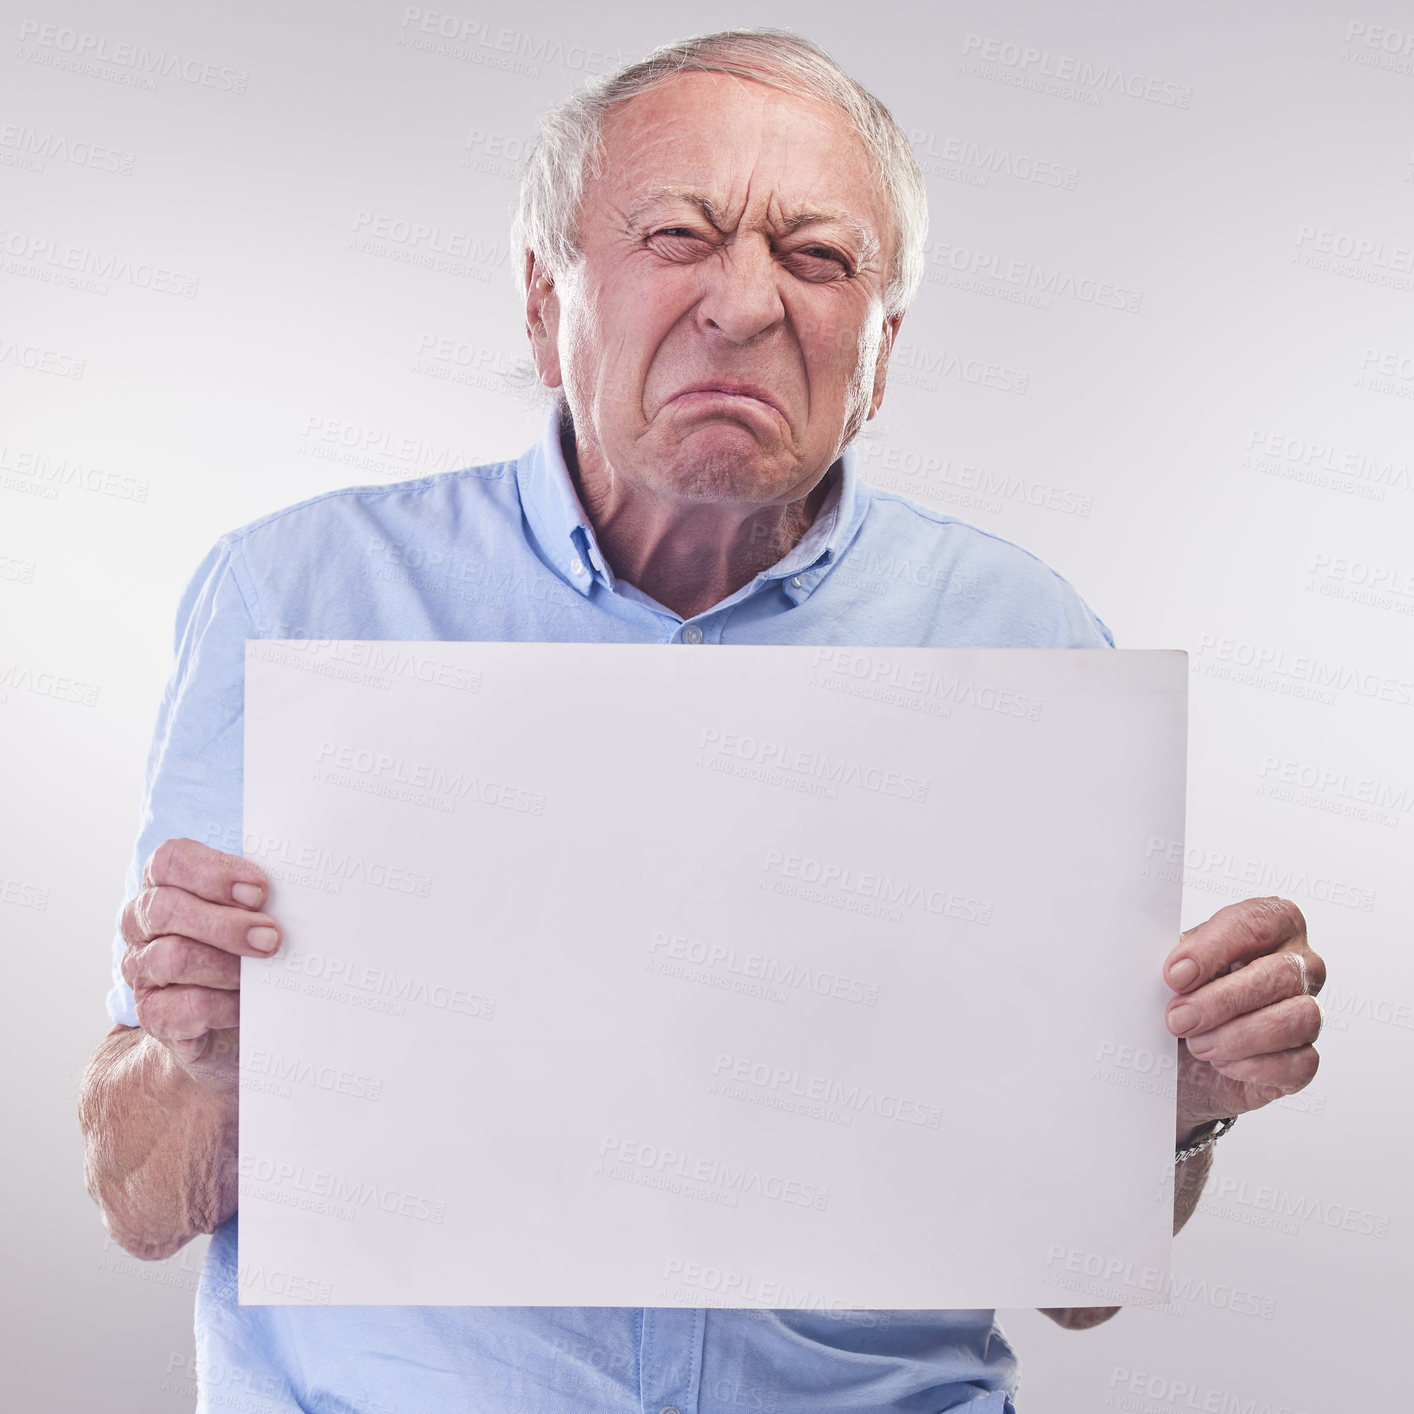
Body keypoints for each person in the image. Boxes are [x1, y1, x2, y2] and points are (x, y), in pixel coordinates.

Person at [78, 29, 1325, 1414]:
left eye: (816, 256)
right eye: (676, 232)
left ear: (882, 350)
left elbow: (1074, 1277)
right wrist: (209, 1058)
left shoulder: (1017, 635)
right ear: (545, 300)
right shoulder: (296, 594)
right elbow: (140, 1200)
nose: (742, 303)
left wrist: (1177, 1096)